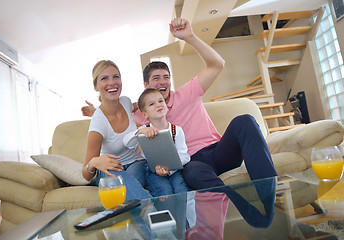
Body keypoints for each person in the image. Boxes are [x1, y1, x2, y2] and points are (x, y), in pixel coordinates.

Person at [82, 18, 277, 190]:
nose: (162, 82)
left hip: (218, 150)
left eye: (166, 77)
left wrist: (190, 37)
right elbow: (117, 121)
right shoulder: (141, 116)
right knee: (194, 176)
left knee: (245, 120)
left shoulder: (188, 92)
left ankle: (269, 191)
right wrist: (95, 113)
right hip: (190, 163)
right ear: (146, 86)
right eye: (156, 78)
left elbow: (217, 64)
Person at [82, 60, 151, 200]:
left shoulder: (126, 102)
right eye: (104, 78)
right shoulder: (98, 123)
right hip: (110, 168)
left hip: (135, 163)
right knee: (120, 183)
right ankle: (150, 209)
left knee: (129, 184)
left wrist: (160, 97)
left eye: (116, 77)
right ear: (96, 86)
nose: (112, 82)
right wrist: (94, 162)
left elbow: (144, 103)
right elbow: (85, 174)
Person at [123, 88, 190, 197]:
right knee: (164, 191)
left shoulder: (176, 130)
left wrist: (170, 169)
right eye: (151, 104)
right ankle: (165, 213)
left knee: (181, 190)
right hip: (153, 171)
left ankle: (183, 214)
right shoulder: (144, 130)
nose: (158, 105)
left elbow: (185, 156)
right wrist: (140, 131)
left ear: (166, 107)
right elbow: (127, 142)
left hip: (174, 170)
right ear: (145, 114)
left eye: (160, 101)